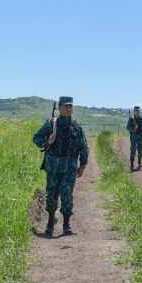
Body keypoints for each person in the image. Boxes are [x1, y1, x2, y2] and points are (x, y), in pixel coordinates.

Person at [32, 96, 89, 236]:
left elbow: (84, 147)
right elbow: (36, 138)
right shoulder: (51, 124)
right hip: (53, 166)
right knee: (51, 194)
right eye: (65, 106)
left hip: (69, 167)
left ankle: (66, 224)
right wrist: (48, 142)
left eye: (70, 106)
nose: (68, 109)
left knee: (67, 193)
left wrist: (82, 165)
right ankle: (51, 221)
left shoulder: (77, 127)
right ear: (59, 108)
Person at [127, 105, 142, 171]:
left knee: (140, 150)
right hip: (133, 137)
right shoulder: (131, 119)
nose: (138, 112)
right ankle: (131, 164)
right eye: (137, 110)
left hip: (140, 137)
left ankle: (139, 161)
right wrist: (134, 128)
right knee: (133, 150)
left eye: (139, 111)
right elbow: (127, 127)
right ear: (134, 111)